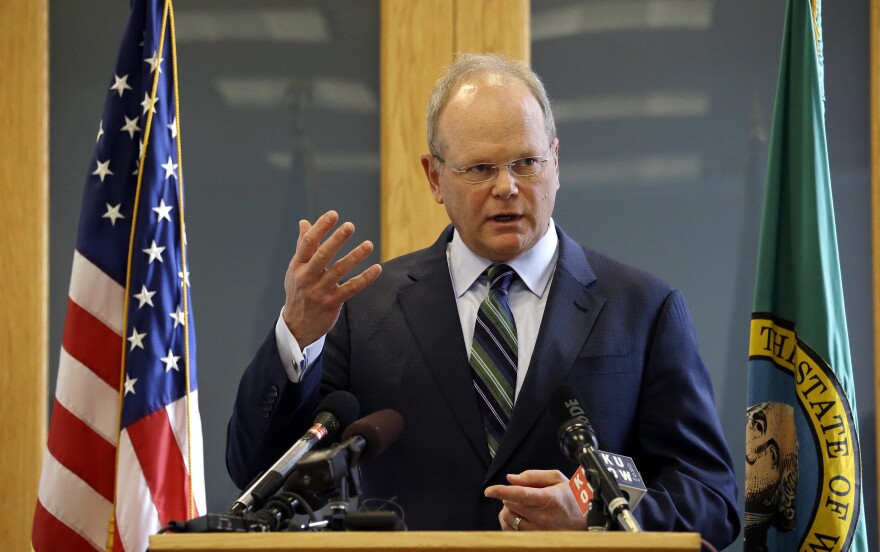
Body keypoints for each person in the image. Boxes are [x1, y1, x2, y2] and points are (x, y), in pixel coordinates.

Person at [226, 52, 740, 548]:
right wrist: (297, 332)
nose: (508, 188)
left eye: (526, 162)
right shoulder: (363, 311)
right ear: (434, 178)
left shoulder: (643, 308)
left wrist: (592, 515)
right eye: (479, 169)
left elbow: (712, 499)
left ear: (556, 163)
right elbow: (259, 473)